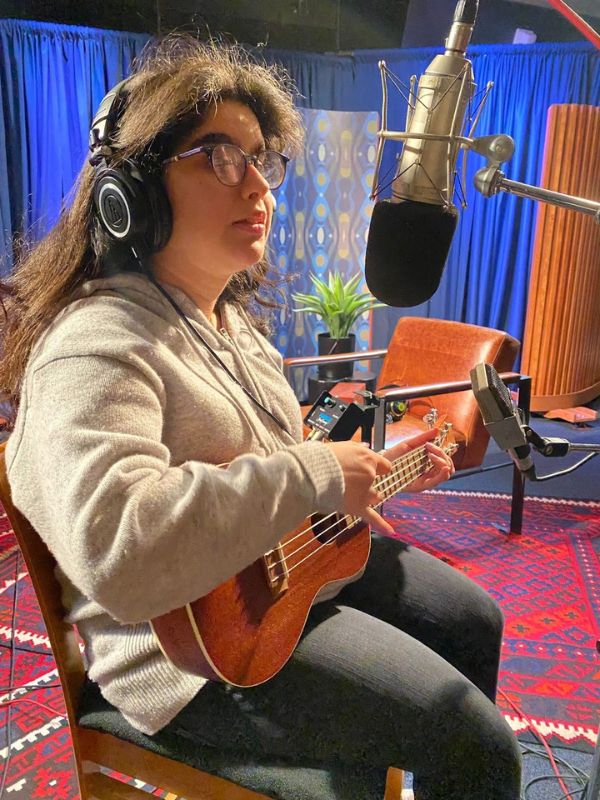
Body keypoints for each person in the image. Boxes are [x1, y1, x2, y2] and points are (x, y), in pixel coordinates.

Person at [0, 37, 521, 800]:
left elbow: (275, 464)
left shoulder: (230, 326)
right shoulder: (96, 344)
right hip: (187, 655)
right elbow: (120, 546)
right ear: (130, 193)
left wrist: (384, 466)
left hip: (283, 579)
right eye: (220, 156)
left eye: (263, 160)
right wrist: (313, 473)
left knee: (475, 620)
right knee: (479, 744)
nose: (259, 187)